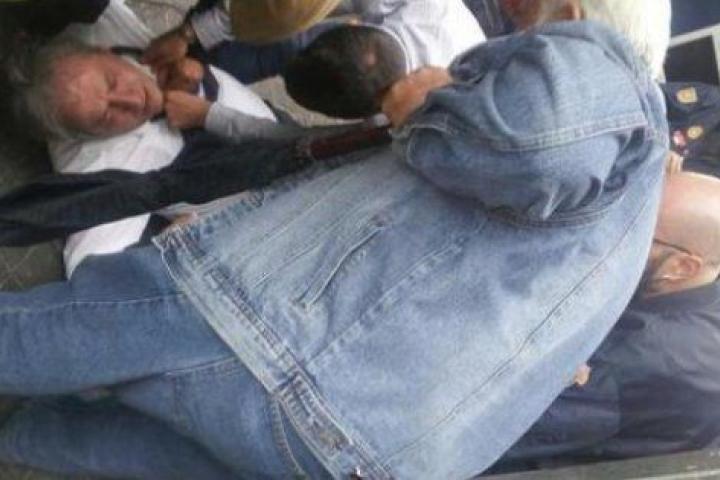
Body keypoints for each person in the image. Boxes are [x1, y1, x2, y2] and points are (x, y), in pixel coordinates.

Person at [0, 0, 671, 478]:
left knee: (36, 340)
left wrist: (427, 112)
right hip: (372, 452)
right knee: (103, 443)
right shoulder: (625, 225)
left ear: (574, 10)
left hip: (284, 333)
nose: (508, 8)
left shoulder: (608, 75)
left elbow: (537, 149)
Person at [5, 0, 343, 276]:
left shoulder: (100, 28)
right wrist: (166, 248)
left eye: (112, 81)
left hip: (282, 128)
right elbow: (88, 269)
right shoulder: (102, 169)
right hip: (274, 225)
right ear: (84, 137)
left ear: (104, 52)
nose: (130, 99)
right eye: (106, 116)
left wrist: (190, 37)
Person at [491, 170, 720, 472]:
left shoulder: (643, 354)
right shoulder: (690, 291)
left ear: (681, 267)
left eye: (634, 229)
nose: (607, 233)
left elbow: (497, 427)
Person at [143, 0, 484, 87]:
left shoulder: (415, 116)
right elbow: (278, 10)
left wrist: (212, 110)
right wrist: (188, 34)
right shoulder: (427, 7)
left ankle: (205, 74)